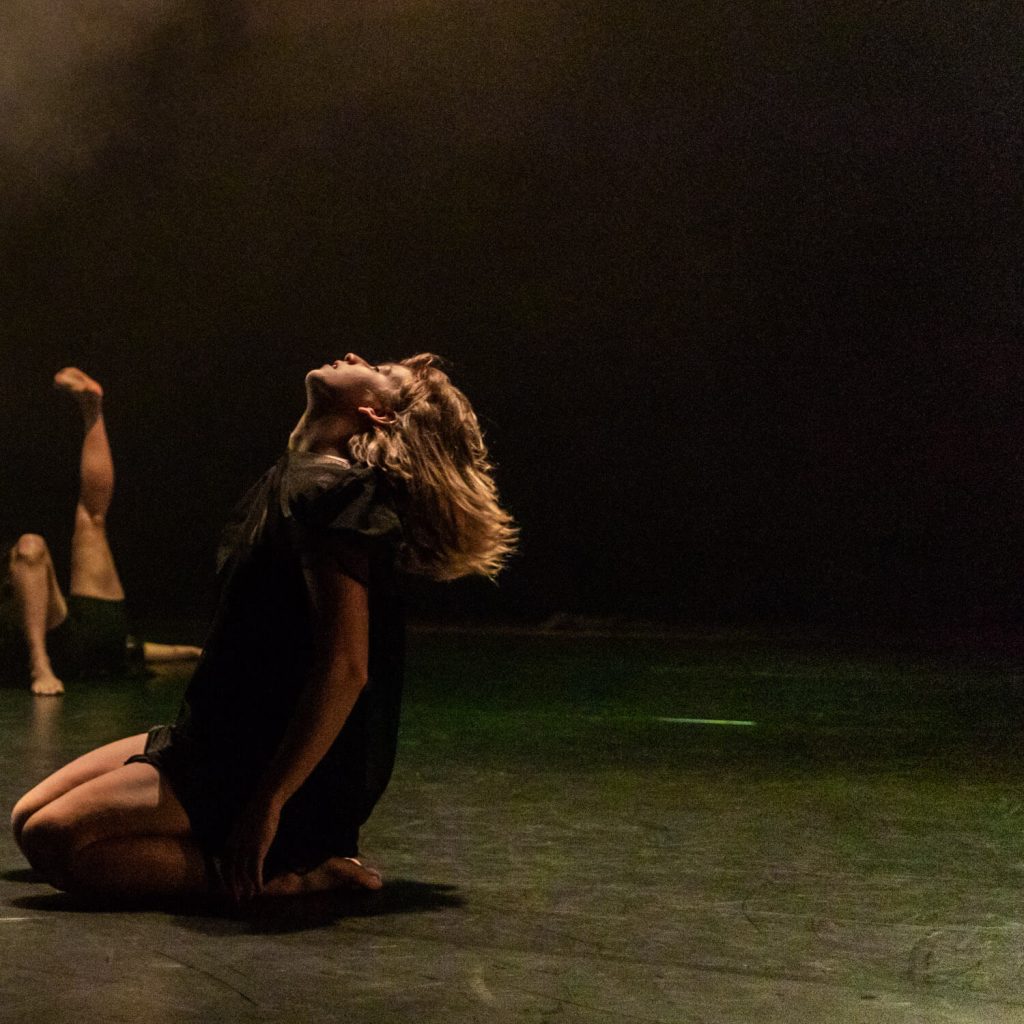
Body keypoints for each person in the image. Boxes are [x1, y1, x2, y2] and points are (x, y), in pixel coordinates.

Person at [11, 352, 516, 904]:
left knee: (55, 841)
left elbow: (347, 666)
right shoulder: (293, 477)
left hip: (261, 763)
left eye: (377, 368)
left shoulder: (337, 495)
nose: (352, 356)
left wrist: (269, 801)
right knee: (25, 817)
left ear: (376, 412)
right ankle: (258, 848)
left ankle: (286, 875)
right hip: (217, 735)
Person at [0, 368, 201, 696]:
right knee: (91, 518)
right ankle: (92, 411)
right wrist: (192, 652)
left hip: (76, 644)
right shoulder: (104, 645)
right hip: (98, 637)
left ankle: (40, 664)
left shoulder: (20, 621)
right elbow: (139, 648)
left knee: (34, 545)